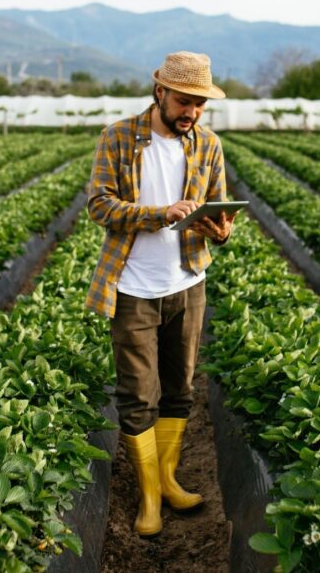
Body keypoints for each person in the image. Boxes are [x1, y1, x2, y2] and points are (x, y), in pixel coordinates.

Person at [85, 51, 236, 536]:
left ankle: (168, 479)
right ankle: (148, 497)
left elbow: (218, 212)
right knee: (137, 395)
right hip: (132, 286)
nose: (191, 112)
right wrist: (159, 214)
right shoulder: (119, 138)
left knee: (180, 391)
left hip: (188, 283)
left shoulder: (209, 146)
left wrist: (221, 228)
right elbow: (100, 205)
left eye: (199, 104)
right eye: (183, 101)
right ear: (160, 93)